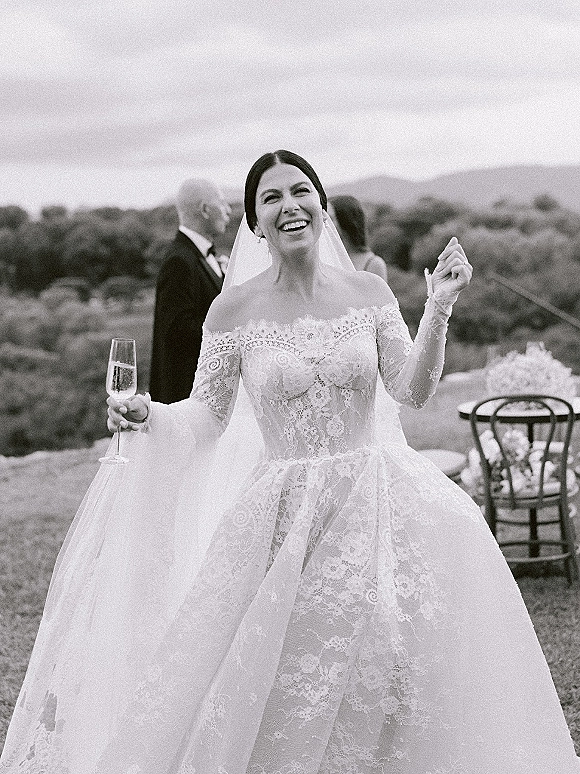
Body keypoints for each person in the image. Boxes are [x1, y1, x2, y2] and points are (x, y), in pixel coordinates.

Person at [2, 150, 579, 774]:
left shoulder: (368, 292)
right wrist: (152, 416)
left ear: (322, 206)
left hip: (378, 500)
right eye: (270, 198)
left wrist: (437, 308)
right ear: (254, 223)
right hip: (284, 519)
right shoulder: (233, 310)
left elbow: (411, 390)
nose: (289, 206)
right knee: (288, 676)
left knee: (387, 665)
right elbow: (208, 417)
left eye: (300, 191)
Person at [149, 177, 231, 403]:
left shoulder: (200, 256)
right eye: (222, 203)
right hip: (187, 395)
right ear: (205, 210)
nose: (227, 211)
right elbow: (178, 330)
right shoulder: (178, 261)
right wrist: (236, 329)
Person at [328, 194, 387, 280]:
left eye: (331, 218)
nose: (325, 222)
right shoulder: (325, 258)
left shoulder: (373, 264)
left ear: (346, 221)